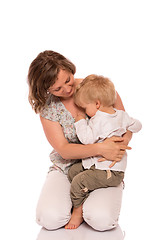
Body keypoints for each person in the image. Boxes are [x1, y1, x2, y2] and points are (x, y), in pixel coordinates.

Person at [27, 50, 132, 231]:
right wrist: (101, 148)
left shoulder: (98, 88)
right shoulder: (49, 108)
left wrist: (119, 146)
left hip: (103, 165)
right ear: (46, 89)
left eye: (68, 80)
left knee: (101, 220)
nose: (67, 90)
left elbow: (125, 124)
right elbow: (64, 150)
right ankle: (75, 199)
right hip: (67, 167)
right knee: (50, 218)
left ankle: (87, 201)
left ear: (70, 69)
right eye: (57, 89)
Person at [65, 74, 142, 229]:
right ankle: (88, 191)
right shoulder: (120, 115)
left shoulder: (99, 120)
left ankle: (77, 212)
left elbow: (86, 140)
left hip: (108, 171)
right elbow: (138, 125)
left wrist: (80, 121)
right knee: (73, 171)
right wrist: (125, 137)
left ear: (97, 104)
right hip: (101, 166)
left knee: (77, 182)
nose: (85, 112)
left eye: (85, 108)